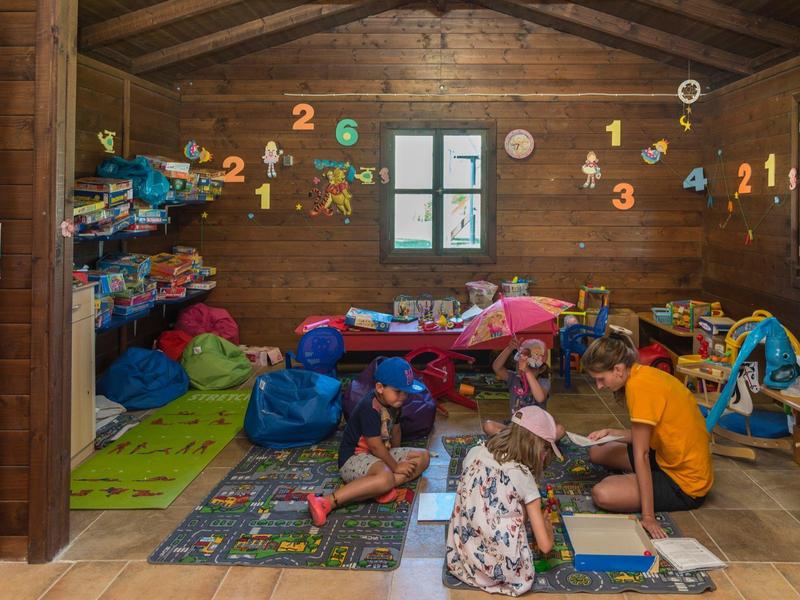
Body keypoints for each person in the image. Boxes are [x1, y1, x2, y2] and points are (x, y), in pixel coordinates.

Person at [581, 333, 713, 538]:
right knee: (598, 451)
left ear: (618, 369)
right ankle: (634, 482)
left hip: (686, 483)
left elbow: (641, 454)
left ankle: (639, 486)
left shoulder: (639, 388)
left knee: (603, 493)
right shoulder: (640, 374)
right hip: (666, 456)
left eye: (601, 379)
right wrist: (612, 433)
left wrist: (648, 516)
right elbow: (653, 435)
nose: (599, 386)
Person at [446, 406, 559, 596]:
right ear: (540, 448)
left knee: (496, 499)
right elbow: (545, 546)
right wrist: (547, 527)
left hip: (464, 558)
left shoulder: (475, 452)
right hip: (503, 571)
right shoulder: (522, 475)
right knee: (523, 507)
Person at [306, 357, 430, 526]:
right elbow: (375, 446)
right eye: (398, 391)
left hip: (378, 456)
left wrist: (397, 455)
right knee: (386, 476)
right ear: (379, 387)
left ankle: (377, 488)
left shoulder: (395, 403)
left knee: (423, 457)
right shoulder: (369, 407)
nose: (403, 397)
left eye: (406, 392)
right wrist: (396, 466)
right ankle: (328, 501)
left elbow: (396, 430)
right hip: (355, 458)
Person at [483, 338, 565, 439]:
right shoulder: (513, 378)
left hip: (537, 432)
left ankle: (524, 445)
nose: (524, 369)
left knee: (560, 430)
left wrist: (527, 372)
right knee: (488, 425)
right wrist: (509, 348)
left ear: (541, 369)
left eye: (531, 367)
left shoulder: (543, 382)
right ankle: (520, 444)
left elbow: (540, 398)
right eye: (522, 365)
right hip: (516, 428)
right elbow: (496, 367)